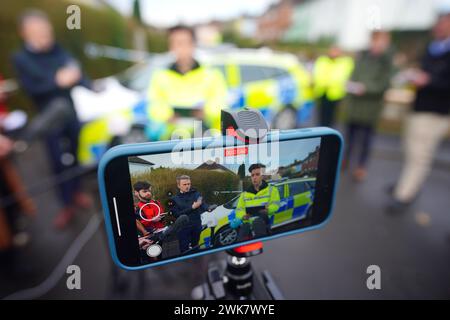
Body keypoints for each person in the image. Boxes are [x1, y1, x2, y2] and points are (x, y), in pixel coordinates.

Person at [12, 9, 92, 229]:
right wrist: (58, 81)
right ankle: (65, 204)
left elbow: (78, 73)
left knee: (75, 156)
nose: (44, 35)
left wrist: (86, 84)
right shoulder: (22, 58)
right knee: (57, 162)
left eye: (45, 30)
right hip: (50, 120)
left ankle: (77, 193)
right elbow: (32, 89)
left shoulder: (60, 51)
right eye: (37, 31)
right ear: (25, 33)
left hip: (72, 115)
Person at [388, 13, 450, 211]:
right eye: (438, 23)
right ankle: (407, 186)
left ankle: (404, 195)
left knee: (420, 155)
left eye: (443, 24)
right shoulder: (433, 48)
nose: (438, 27)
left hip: (436, 112)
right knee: (411, 150)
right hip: (420, 107)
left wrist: (429, 81)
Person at [147, 25, 228, 139]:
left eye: (185, 42)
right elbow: (154, 105)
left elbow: (221, 103)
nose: (182, 48)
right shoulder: (160, 77)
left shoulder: (212, 75)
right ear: (171, 47)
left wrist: (206, 112)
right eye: (177, 43)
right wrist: (167, 115)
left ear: (193, 45)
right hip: (170, 140)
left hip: (205, 138)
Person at [344, 31, 394, 182]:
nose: (377, 44)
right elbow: (353, 74)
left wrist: (365, 88)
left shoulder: (386, 62)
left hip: (370, 108)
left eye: (381, 42)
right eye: (375, 41)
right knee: (350, 136)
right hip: (355, 106)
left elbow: (384, 84)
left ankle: (361, 166)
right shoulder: (362, 57)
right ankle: (345, 160)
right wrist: (351, 85)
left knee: (366, 139)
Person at [235, 164, 280, 240]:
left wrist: (268, 210)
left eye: (257, 174)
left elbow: (276, 205)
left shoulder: (272, 190)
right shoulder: (244, 194)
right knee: (240, 242)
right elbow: (239, 210)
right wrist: (243, 216)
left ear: (262, 176)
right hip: (247, 226)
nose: (254, 177)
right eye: (252, 175)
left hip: (263, 224)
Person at [313, 46, 354, 127]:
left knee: (331, 117)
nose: (333, 53)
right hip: (322, 92)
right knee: (321, 116)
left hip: (335, 94)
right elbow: (317, 74)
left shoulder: (345, 62)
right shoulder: (322, 60)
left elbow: (343, 77)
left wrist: (329, 83)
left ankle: (329, 133)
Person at [171, 175, 212, 253]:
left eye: (189, 184)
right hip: (183, 228)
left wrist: (208, 208)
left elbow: (201, 202)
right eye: (184, 184)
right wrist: (192, 208)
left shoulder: (196, 193)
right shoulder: (174, 199)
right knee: (184, 249)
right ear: (178, 186)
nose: (187, 186)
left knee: (196, 246)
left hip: (196, 225)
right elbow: (176, 214)